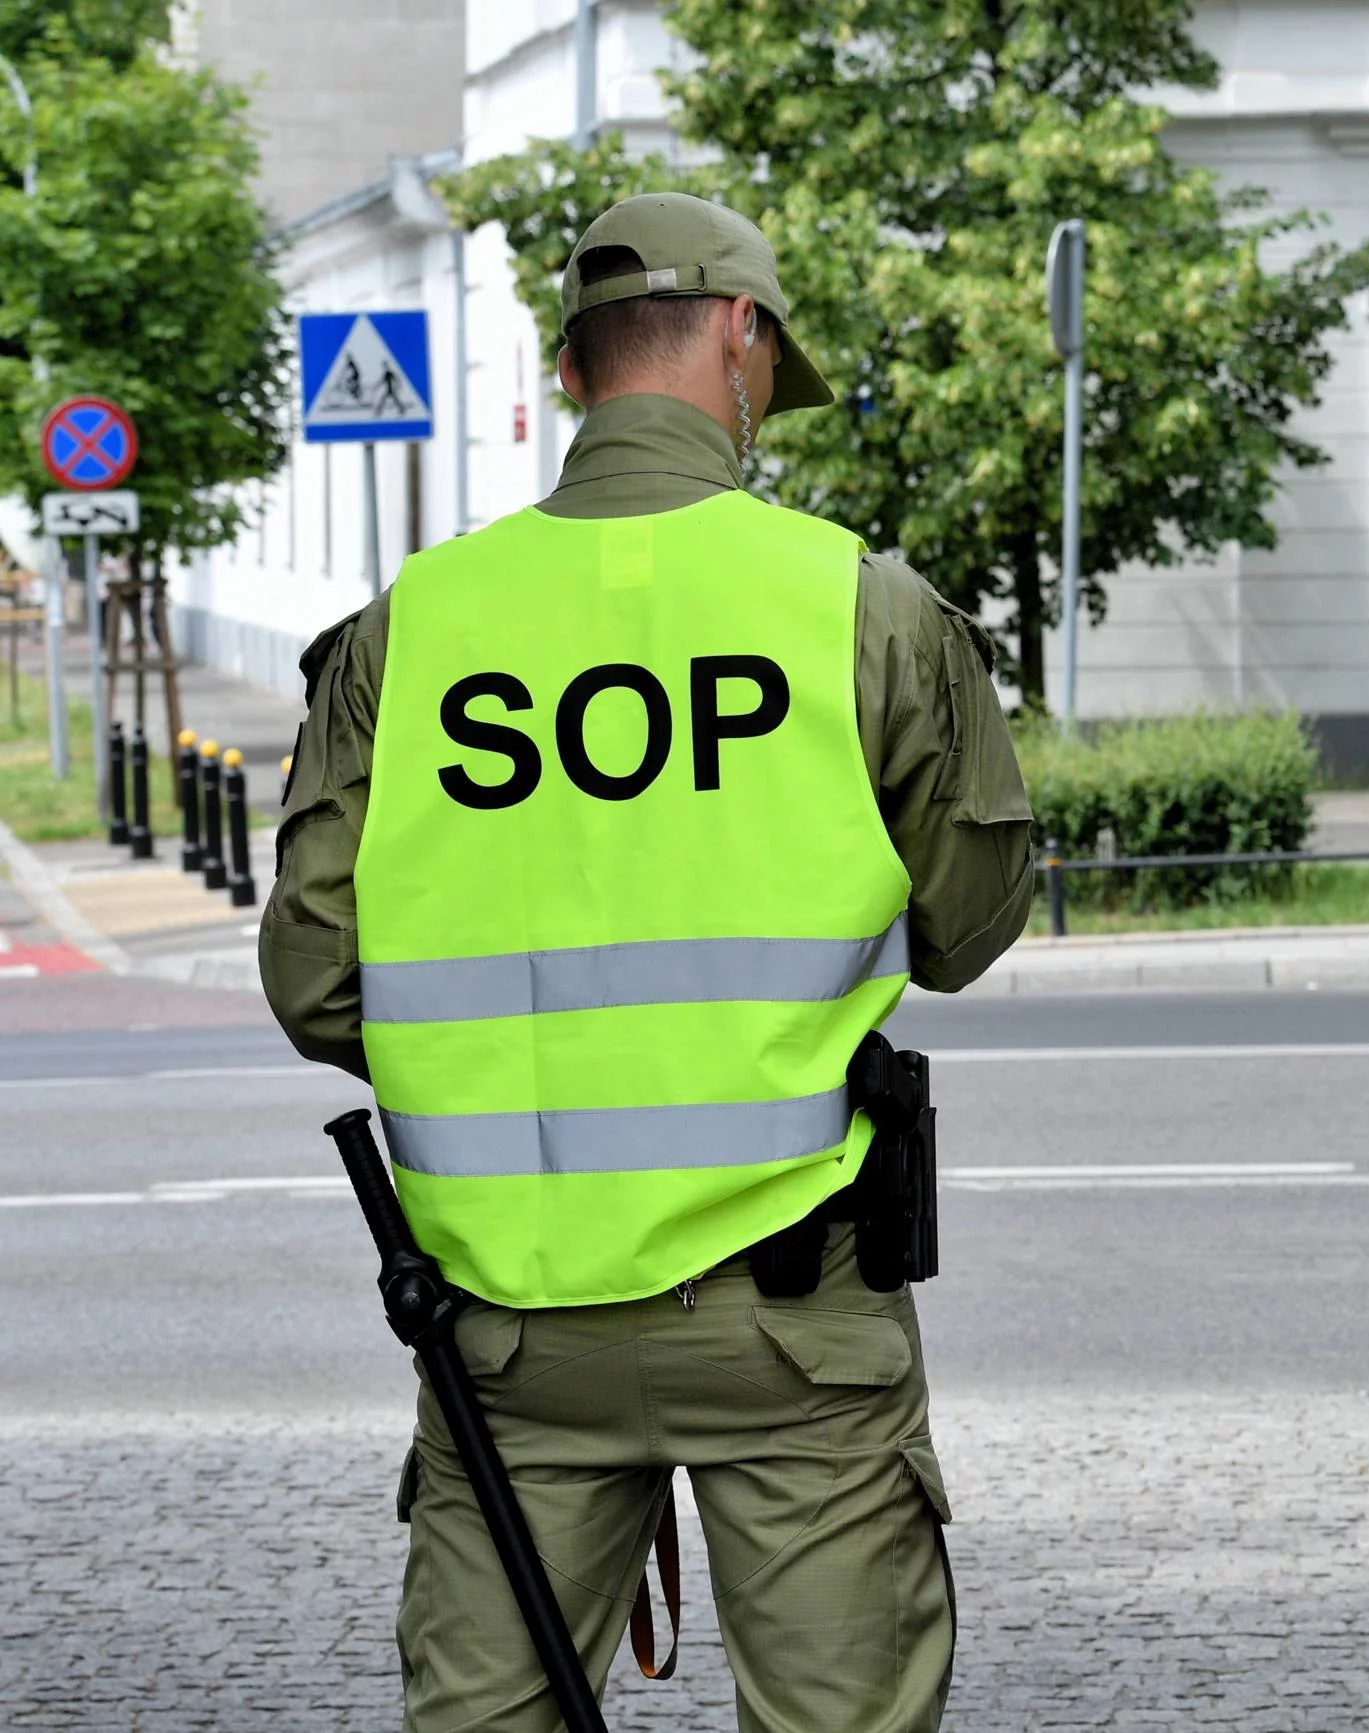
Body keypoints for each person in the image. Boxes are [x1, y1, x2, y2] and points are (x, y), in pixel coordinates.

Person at [260, 191, 1033, 1733]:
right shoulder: (858, 608)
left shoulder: (413, 630)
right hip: (791, 1317)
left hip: (507, 1329)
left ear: (568, 375)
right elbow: (966, 925)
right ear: (743, 336)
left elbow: (317, 979)